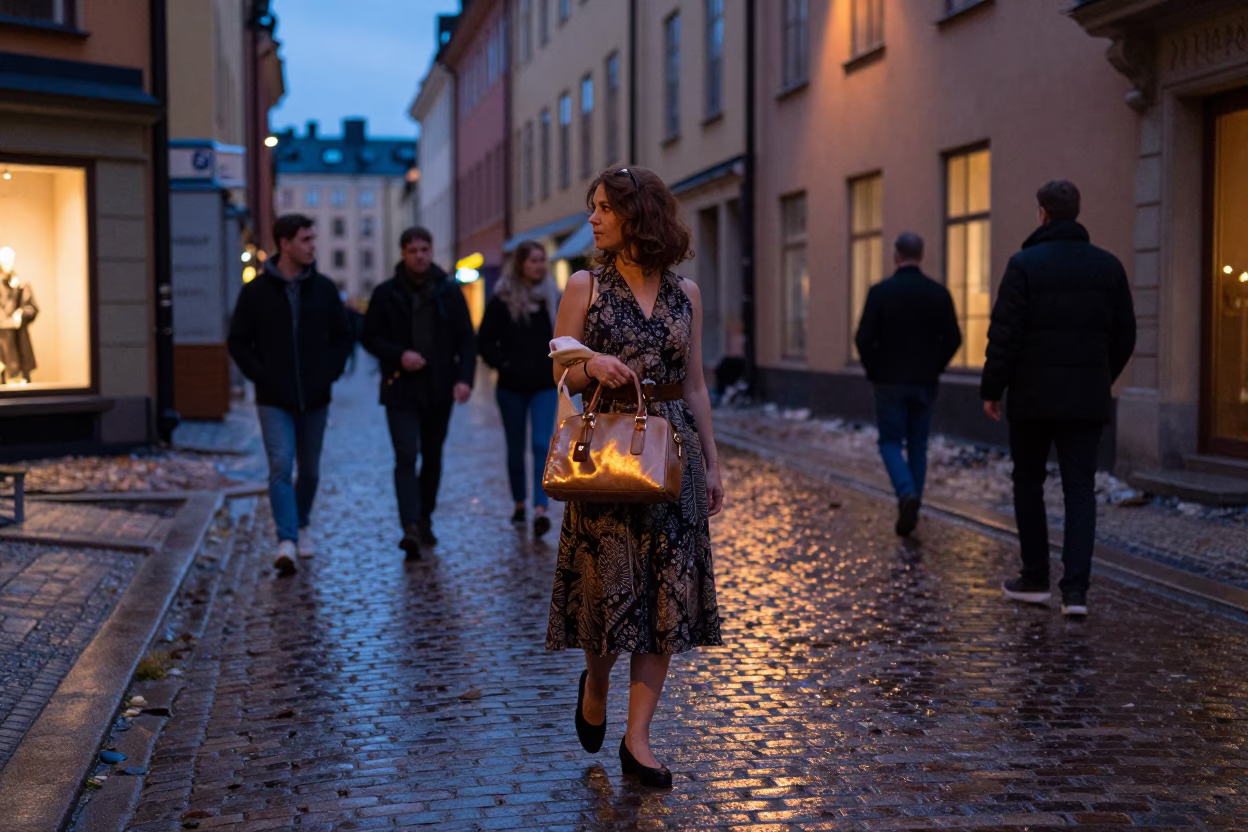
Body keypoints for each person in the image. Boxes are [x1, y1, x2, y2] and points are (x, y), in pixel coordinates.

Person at [547, 166, 724, 789]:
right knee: (607, 598)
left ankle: (638, 739)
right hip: (607, 456)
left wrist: (714, 460)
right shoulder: (585, 285)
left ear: (637, 215)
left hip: (673, 456)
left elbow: (695, 384)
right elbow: (561, 374)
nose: (592, 218)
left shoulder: (687, 294)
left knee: (667, 603)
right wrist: (590, 363)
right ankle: (595, 686)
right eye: (592, 206)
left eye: (603, 208)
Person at [981, 180, 1136, 618]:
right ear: (1076, 213)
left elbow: (1004, 336)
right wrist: (1100, 375)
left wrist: (993, 389)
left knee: (1028, 483)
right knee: (1080, 490)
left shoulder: (1024, 265)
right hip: (1085, 399)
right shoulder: (1108, 267)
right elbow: (1125, 334)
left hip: (1031, 400)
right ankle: (1076, 592)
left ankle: (1034, 579)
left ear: (1043, 213)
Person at [227, 214, 353, 576]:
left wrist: (328, 372)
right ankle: (286, 540)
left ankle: (301, 524)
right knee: (281, 466)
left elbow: (343, 337)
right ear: (285, 243)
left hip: (315, 397)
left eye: (314, 239)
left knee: (309, 471)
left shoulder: (325, 289)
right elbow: (238, 341)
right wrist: (261, 376)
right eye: (306, 239)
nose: (313, 245)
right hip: (273, 398)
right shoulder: (256, 292)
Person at [361, 227, 476, 559]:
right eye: (413, 250)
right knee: (405, 456)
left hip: (439, 387)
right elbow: (369, 337)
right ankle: (409, 526)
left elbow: (467, 339)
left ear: (432, 250)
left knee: (432, 456)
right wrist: (399, 355)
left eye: (425, 249)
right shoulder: (386, 293)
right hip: (400, 387)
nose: (420, 255)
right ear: (402, 253)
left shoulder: (449, 291)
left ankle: (425, 518)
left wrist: (464, 379)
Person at [854, 233, 962, 537]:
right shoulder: (938, 293)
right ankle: (913, 501)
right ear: (922, 255)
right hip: (925, 382)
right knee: (918, 444)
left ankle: (906, 493)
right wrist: (935, 366)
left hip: (889, 382)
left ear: (896, 255)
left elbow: (863, 338)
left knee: (889, 442)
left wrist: (875, 369)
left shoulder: (880, 293)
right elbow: (954, 338)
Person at [477, 240, 561, 538]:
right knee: (515, 447)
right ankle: (519, 503)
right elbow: (484, 340)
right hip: (511, 387)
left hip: (544, 385)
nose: (539, 265)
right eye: (534, 260)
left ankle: (540, 507)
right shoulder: (502, 299)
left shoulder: (553, 297)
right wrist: (504, 364)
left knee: (541, 443)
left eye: (542, 260)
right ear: (521, 264)